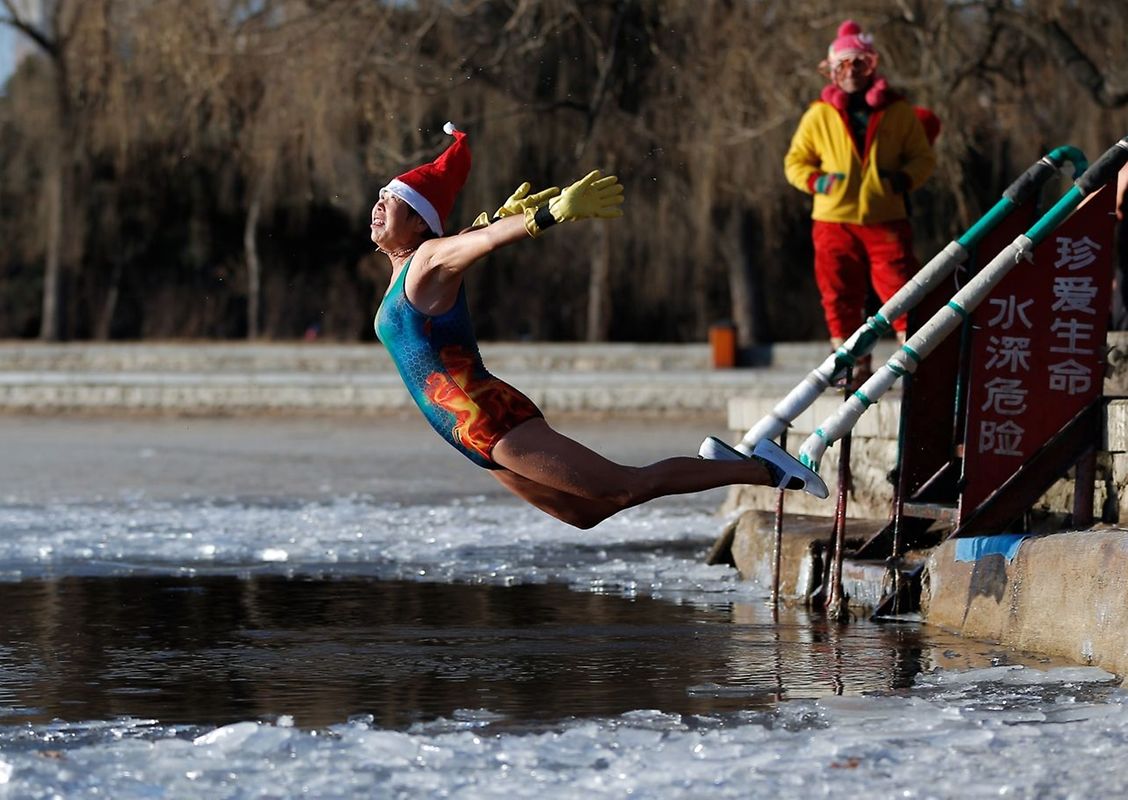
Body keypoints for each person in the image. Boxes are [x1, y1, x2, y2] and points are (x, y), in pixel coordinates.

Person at [372, 123, 828, 529]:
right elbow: (478, 234)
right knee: (585, 514)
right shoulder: (413, 265)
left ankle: (763, 470)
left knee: (623, 487)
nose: (376, 207)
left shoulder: (430, 259)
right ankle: (730, 466)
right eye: (379, 199)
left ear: (418, 222)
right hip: (466, 433)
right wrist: (495, 217)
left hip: (488, 417)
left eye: (389, 202)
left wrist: (543, 216)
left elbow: (484, 241)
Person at [784, 19, 936, 380]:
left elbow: (922, 158)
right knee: (838, 293)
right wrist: (818, 182)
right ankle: (849, 363)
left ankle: (913, 354)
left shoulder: (897, 112)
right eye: (843, 65)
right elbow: (794, 161)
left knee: (900, 287)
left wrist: (901, 179)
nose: (851, 72)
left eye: (859, 64)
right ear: (832, 71)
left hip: (884, 215)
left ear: (871, 66)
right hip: (833, 219)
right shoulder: (818, 114)